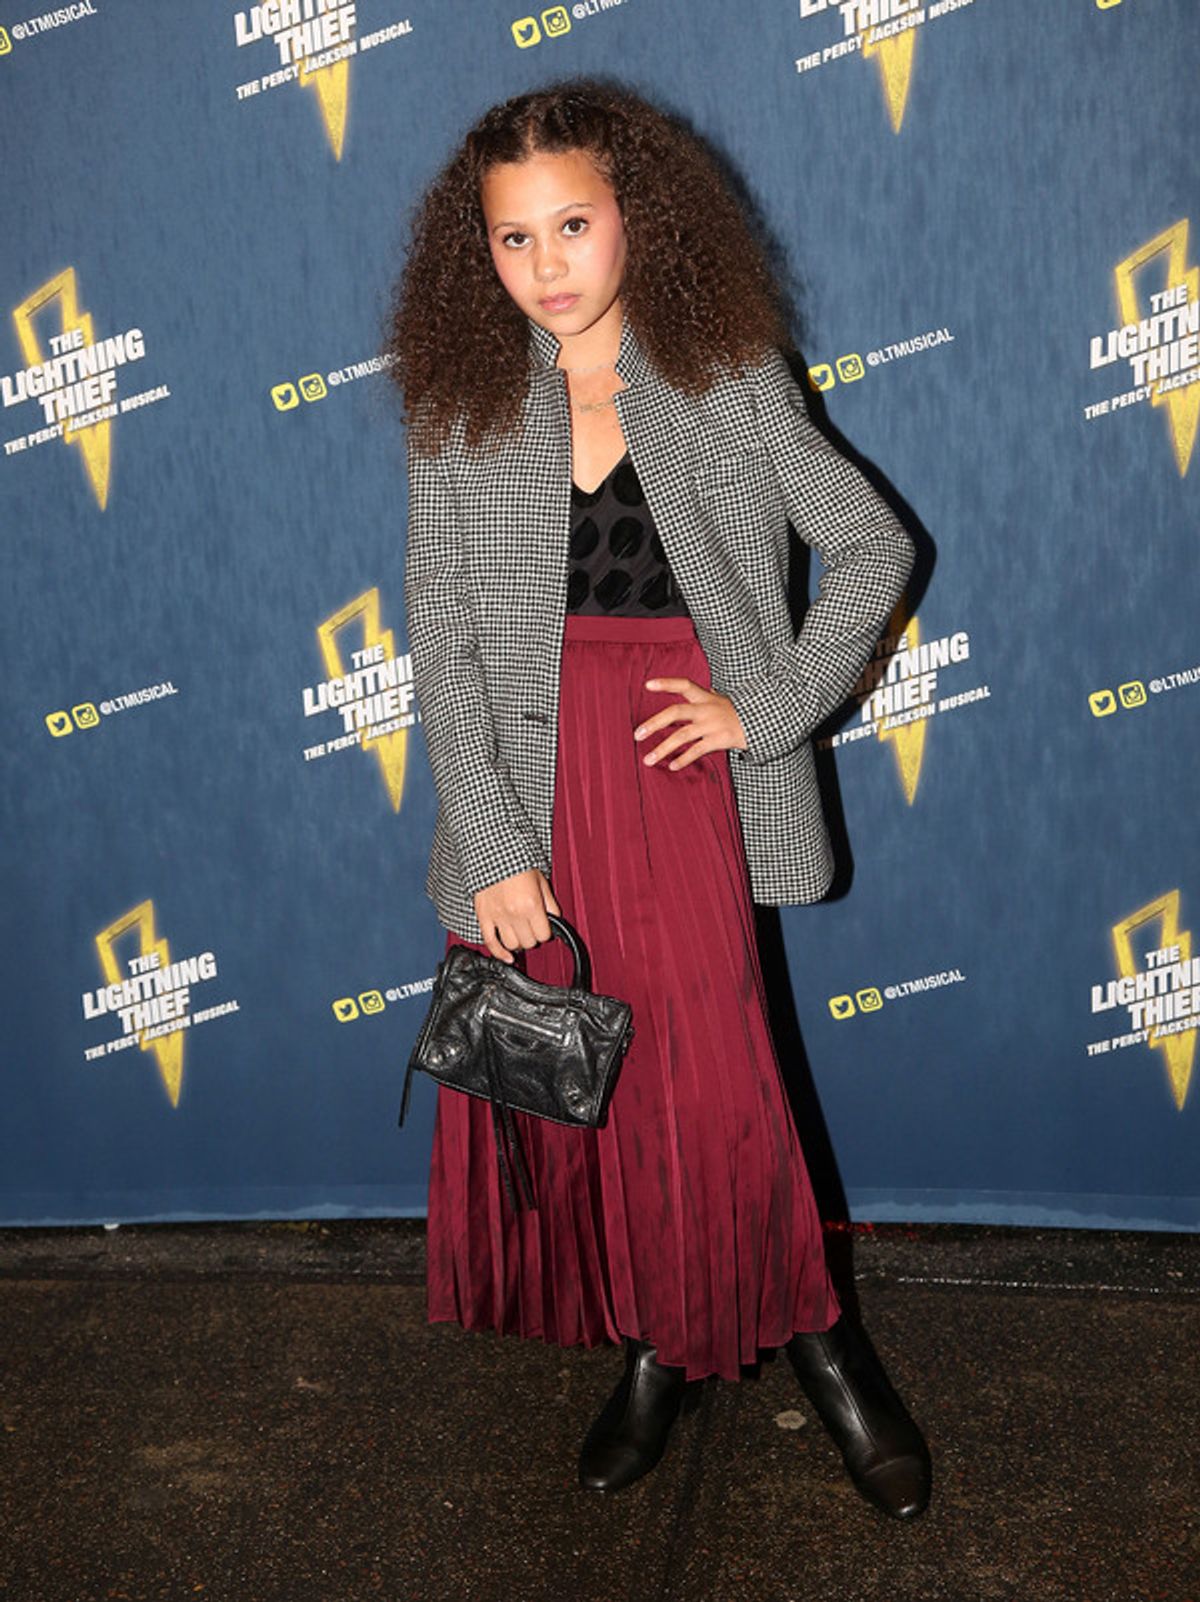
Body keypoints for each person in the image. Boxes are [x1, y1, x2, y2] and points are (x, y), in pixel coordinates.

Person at [386, 77, 932, 1519]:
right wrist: (495, 845)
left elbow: (872, 546)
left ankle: (821, 1333)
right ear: (477, 253)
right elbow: (440, 639)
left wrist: (768, 706)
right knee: (607, 1102)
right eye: (514, 239)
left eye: (574, 223)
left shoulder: (725, 376)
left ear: (638, 217)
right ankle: (655, 1344)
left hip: (682, 779)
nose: (548, 263)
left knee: (726, 1083)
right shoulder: (458, 404)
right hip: (538, 788)